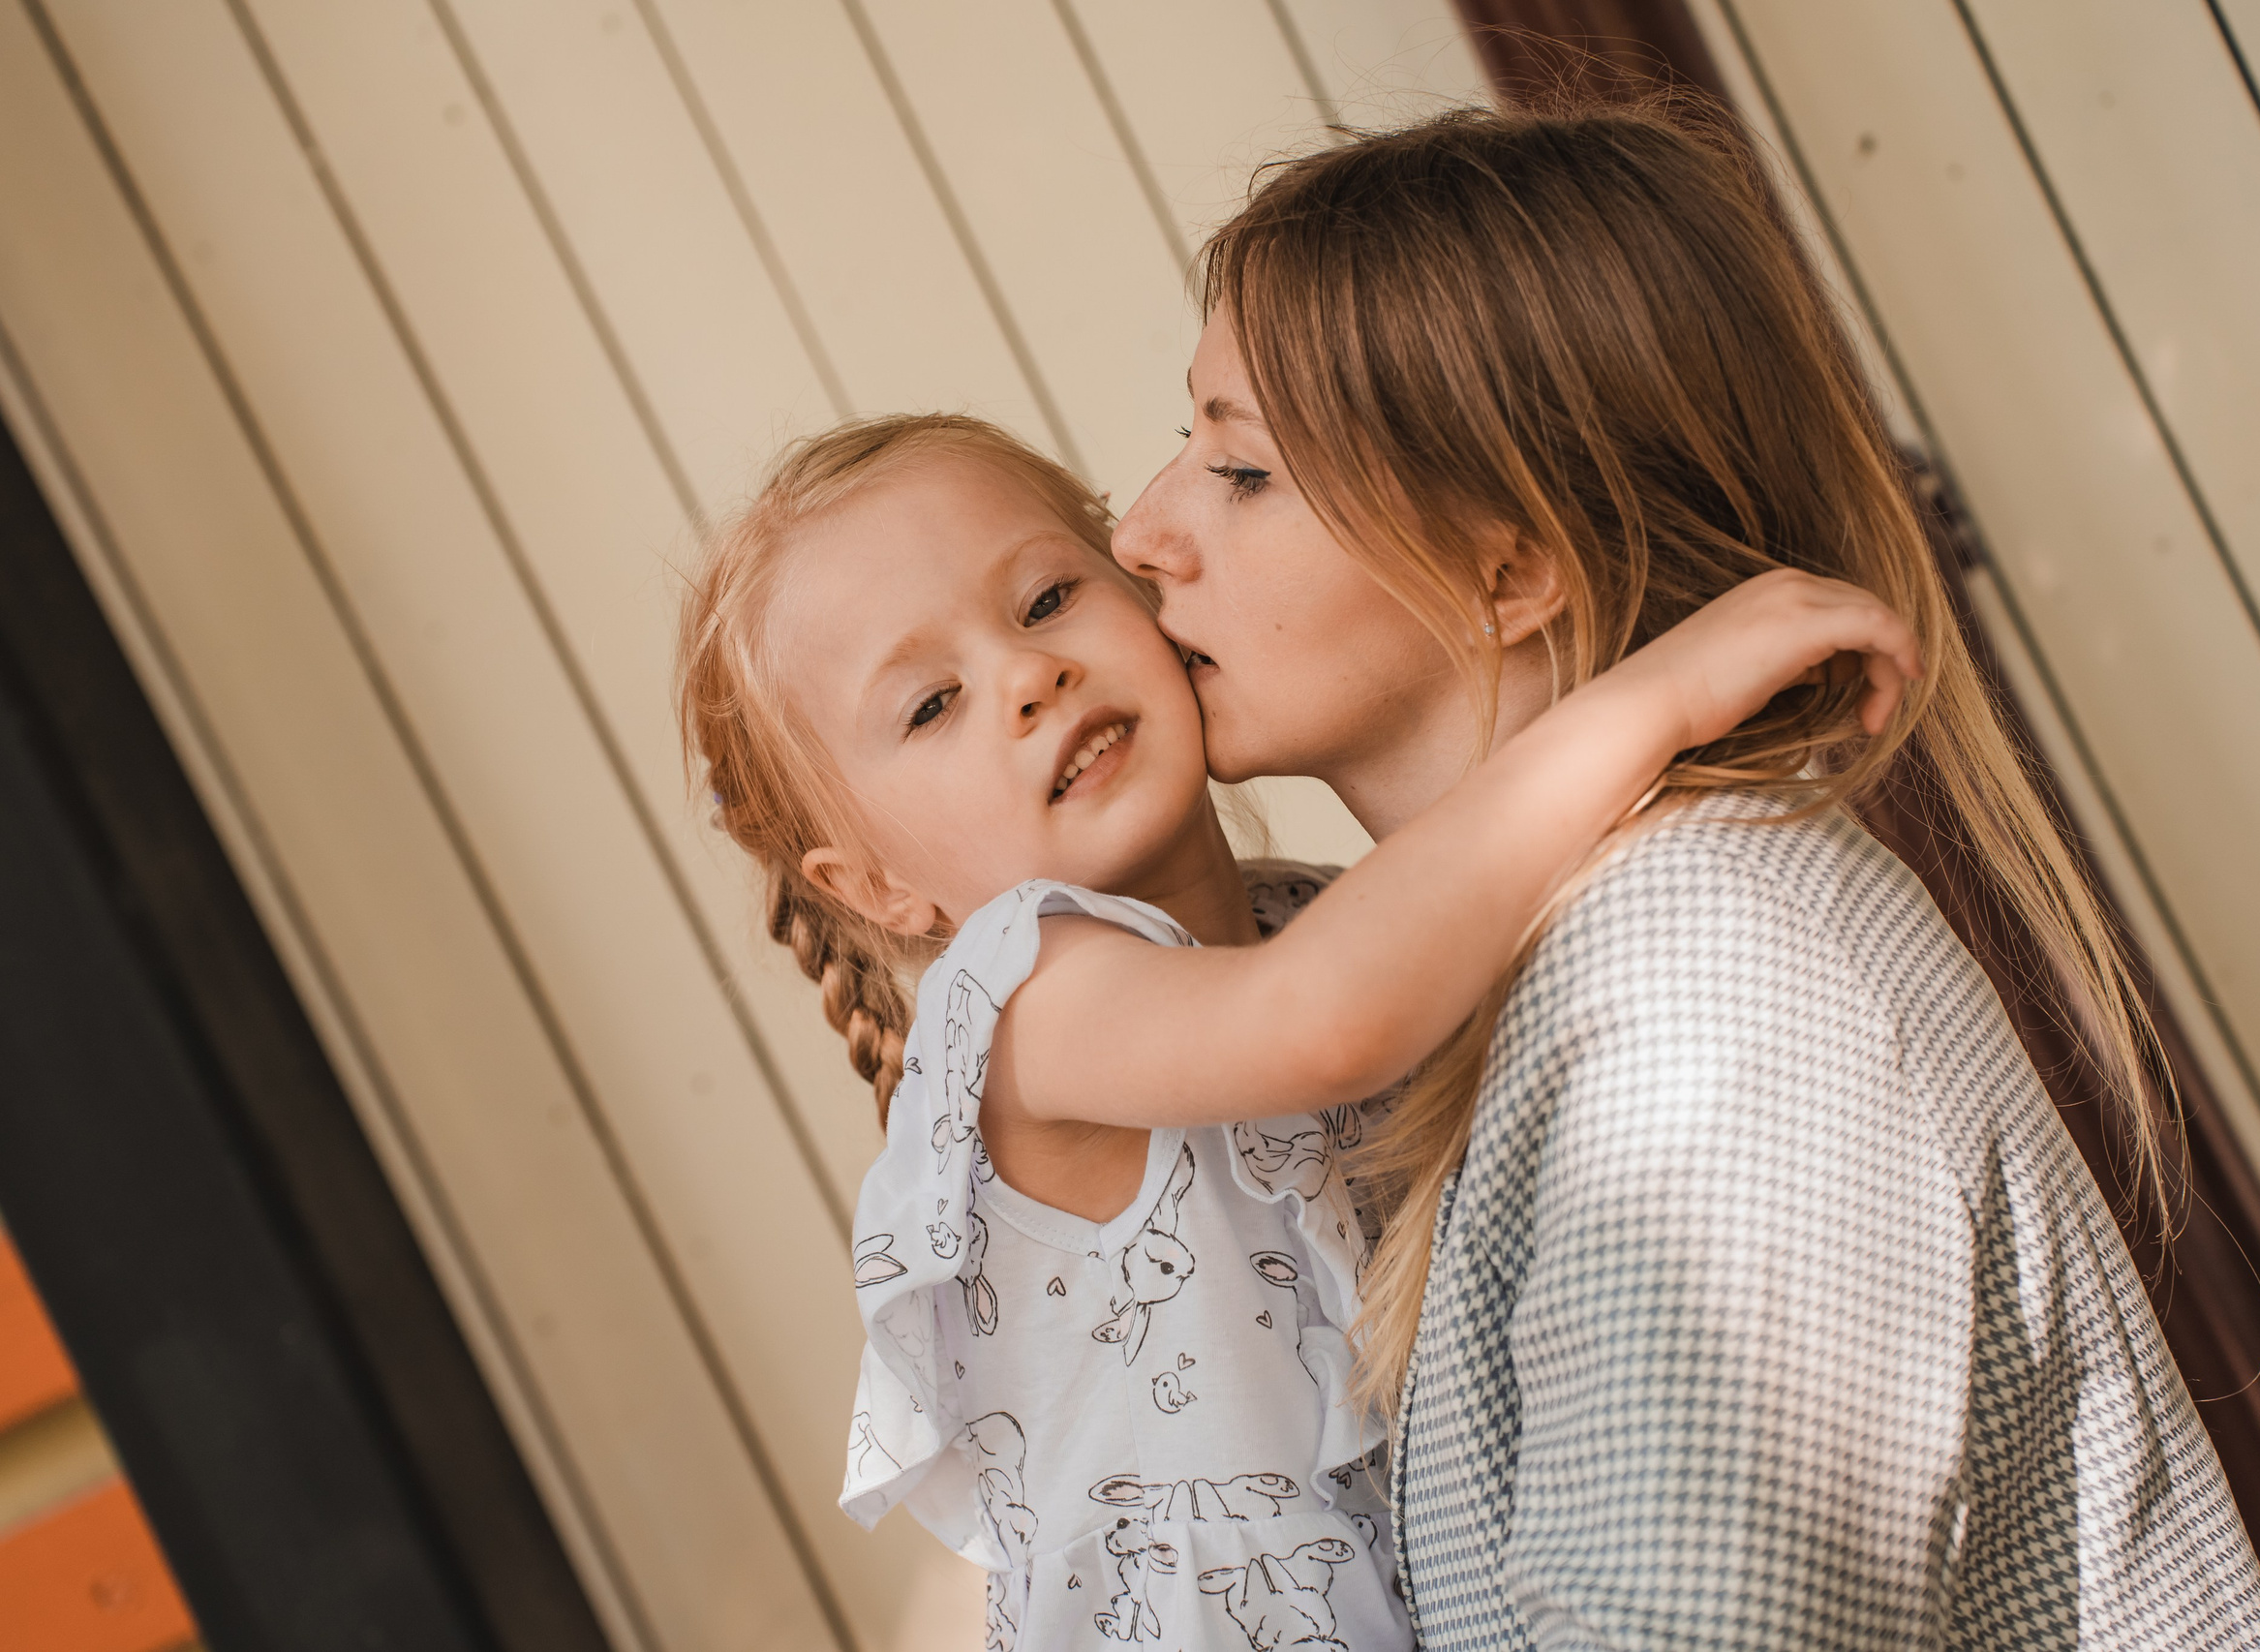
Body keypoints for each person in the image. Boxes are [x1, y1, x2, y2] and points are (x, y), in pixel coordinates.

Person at [1113, 102, 2260, 1648]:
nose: (1142, 532)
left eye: (1242, 471)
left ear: (1510, 565)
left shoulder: (1699, 994)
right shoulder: (1539, 972)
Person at [676, 412, 1920, 1651]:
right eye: (933, 702)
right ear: (877, 889)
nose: (1027, 674)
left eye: (1049, 597)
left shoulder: (1319, 917)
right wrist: (1659, 694)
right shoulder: (1017, 1003)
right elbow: (1325, 1020)